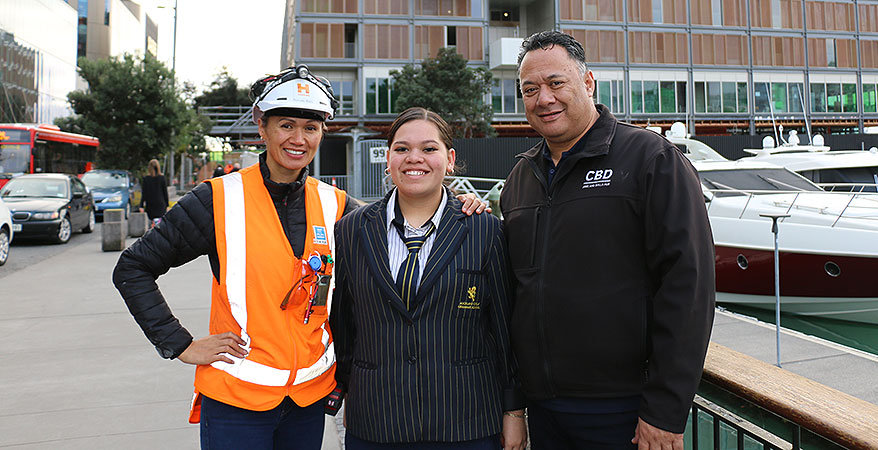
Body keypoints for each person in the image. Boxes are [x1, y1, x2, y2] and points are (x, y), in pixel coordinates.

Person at [113, 66, 487, 450]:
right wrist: (180, 343)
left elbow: (404, 215)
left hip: (308, 399)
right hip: (237, 401)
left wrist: (461, 207)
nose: (298, 138)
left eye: (310, 128)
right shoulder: (217, 199)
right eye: (286, 125)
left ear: (322, 133)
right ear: (263, 128)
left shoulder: (337, 205)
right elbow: (133, 268)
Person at [500, 31, 716, 450]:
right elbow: (514, 291)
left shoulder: (651, 159)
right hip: (544, 410)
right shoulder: (520, 178)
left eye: (555, 83)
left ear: (588, 83)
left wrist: (665, 409)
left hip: (625, 411)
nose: (543, 98)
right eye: (530, 89)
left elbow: (689, 287)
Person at [330, 107, 527, 450]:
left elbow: (504, 328)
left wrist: (514, 411)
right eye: (402, 148)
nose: (414, 158)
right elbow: (345, 324)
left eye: (429, 149)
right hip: (377, 419)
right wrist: (348, 393)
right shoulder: (351, 230)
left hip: (467, 421)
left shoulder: (484, 229)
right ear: (388, 159)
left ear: (450, 159)